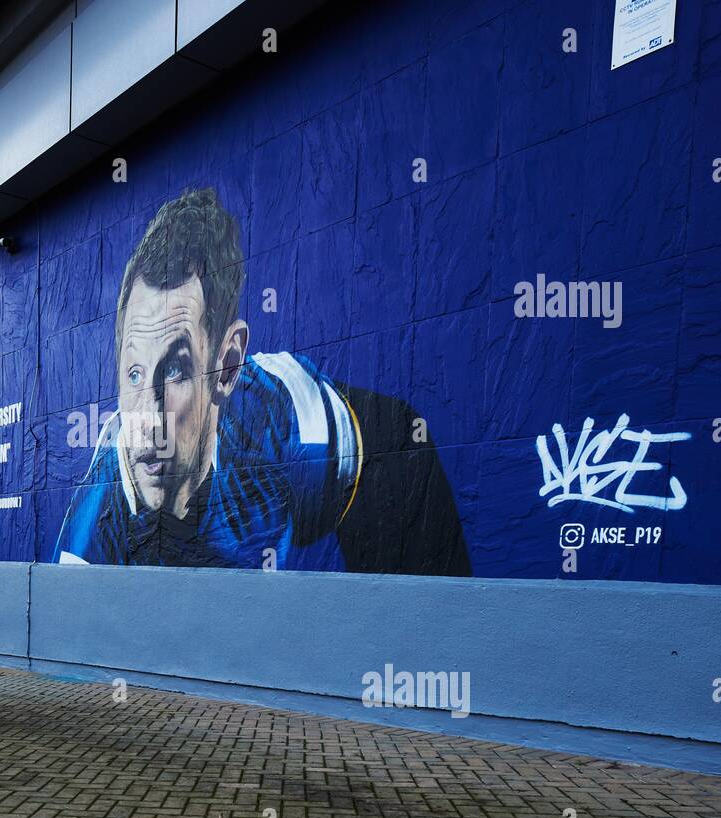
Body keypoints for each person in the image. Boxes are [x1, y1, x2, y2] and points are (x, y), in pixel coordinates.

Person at [53, 186, 471, 575]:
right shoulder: (98, 515)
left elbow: (396, 443)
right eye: (135, 373)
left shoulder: (294, 434)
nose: (149, 418)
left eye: (177, 370)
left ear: (228, 367)